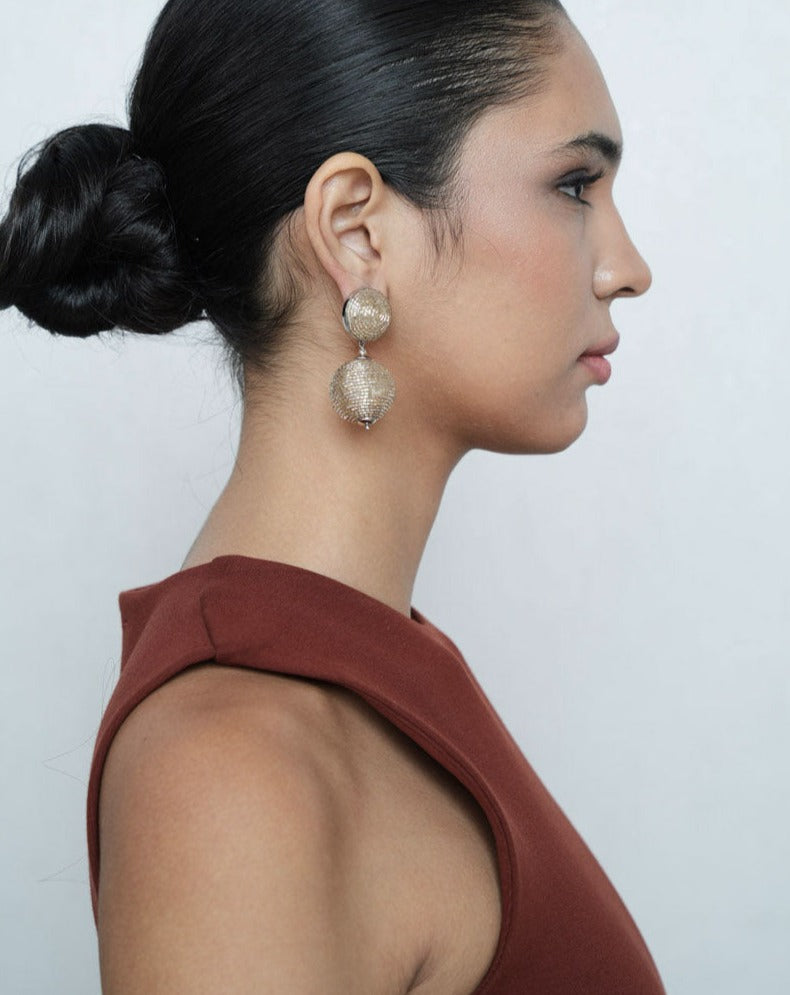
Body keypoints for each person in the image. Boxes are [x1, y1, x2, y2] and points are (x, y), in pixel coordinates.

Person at [0, 1, 660, 992]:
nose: (627, 268)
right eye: (573, 184)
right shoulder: (236, 766)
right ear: (355, 231)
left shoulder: (370, 671)